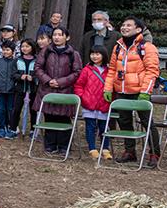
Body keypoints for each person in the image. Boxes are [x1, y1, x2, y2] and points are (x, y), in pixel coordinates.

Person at [104, 16, 161, 166]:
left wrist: (145, 91)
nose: (124, 27)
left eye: (128, 25)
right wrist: (108, 88)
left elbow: (152, 71)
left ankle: (154, 153)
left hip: (140, 92)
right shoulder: (118, 47)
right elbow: (112, 70)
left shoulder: (147, 47)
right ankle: (129, 152)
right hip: (122, 91)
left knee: (147, 123)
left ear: (138, 30)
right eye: (123, 25)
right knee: (125, 122)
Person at [31, 26, 83, 154]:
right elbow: (38, 68)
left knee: (64, 118)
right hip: (47, 89)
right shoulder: (45, 52)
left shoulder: (73, 54)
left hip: (65, 91)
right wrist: (49, 80)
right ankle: (50, 145)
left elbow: (77, 72)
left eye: (60, 35)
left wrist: (60, 82)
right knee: (49, 117)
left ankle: (64, 146)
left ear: (67, 37)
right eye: (55, 35)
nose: (57, 37)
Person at [75, 45, 112, 161]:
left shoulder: (110, 70)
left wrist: (112, 98)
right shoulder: (87, 70)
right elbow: (79, 85)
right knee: (90, 126)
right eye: (92, 54)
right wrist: (82, 97)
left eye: (97, 54)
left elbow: (113, 86)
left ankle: (105, 148)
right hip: (89, 103)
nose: (94, 56)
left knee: (104, 127)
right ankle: (92, 148)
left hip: (104, 103)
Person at [0, 42, 20, 139]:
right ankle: (2, 128)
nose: (5, 52)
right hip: (1, 90)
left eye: (7, 50)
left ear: (13, 51)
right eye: (4, 50)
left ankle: (11, 128)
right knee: (1, 110)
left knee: (11, 110)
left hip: (12, 91)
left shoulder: (16, 61)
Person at [13, 39, 37, 137]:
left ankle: (33, 130)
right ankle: (13, 129)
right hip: (20, 89)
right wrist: (19, 77)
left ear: (32, 47)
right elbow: (13, 74)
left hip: (33, 90)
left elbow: (39, 73)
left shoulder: (37, 61)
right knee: (17, 109)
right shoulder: (17, 60)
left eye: (27, 46)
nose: (24, 48)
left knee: (33, 111)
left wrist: (34, 78)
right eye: (23, 46)